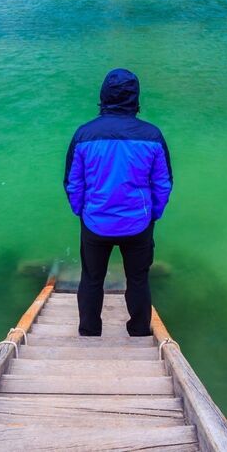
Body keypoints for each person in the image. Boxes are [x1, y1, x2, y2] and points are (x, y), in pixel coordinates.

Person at [64, 68, 173, 336]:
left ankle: (90, 330)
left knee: (91, 279)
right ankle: (138, 329)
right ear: (136, 98)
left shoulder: (84, 134)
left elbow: (73, 183)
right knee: (138, 279)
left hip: (95, 222)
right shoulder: (152, 135)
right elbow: (163, 183)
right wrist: (154, 214)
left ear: (103, 96)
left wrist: (81, 210)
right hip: (138, 223)